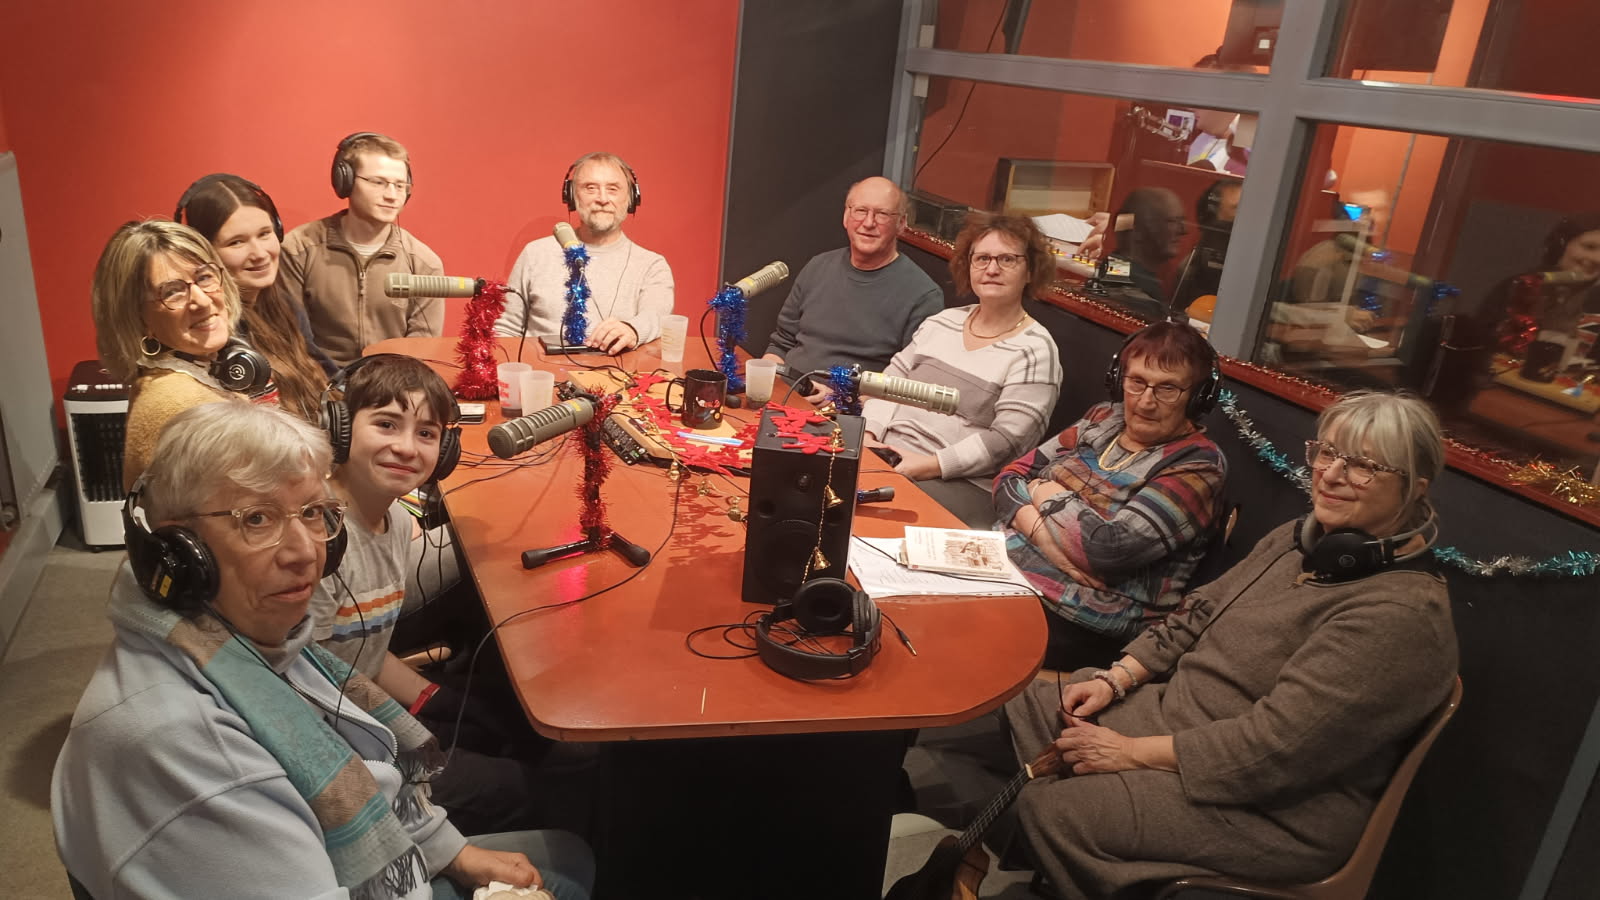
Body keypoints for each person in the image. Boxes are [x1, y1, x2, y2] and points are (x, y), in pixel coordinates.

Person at [51, 402, 594, 900]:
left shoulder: (242, 640)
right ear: (178, 552)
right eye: (256, 519)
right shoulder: (190, 744)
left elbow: (359, 771)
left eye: (313, 512)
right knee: (567, 872)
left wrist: (450, 852)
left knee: (568, 857)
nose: (305, 552)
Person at [1004, 390, 1455, 898]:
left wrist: (1129, 753)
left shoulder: (1399, 617)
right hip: (1179, 721)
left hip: (1271, 806)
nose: (1330, 475)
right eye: (1327, 452)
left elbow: (1273, 750)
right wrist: (1117, 678)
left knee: (1056, 810)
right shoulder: (1299, 539)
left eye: (1363, 466)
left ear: (1415, 488)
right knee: (1029, 705)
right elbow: (1198, 610)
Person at [313, 354, 578, 836]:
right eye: (386, 424)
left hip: (363, 708)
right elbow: (308, 686)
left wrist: (437, 700)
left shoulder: (395, 522)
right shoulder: (317, 544)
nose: (405, 448)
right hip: (337, 749)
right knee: (529, 789)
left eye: (426, 433)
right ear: (341, 429)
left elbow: (362, 651)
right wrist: (413, 730)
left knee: (506, 727)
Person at [994, 320, 1227, 669]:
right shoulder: (1103, 417)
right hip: (1006, 571)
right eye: (1137, 382)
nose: (1145, 402)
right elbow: (1009, 478)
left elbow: (1108, 548)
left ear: (1196, 398)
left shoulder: (1199, 464)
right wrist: (1047, 539)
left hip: (1083, 619)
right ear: (1120, 379)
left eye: (1167, 388)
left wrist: (1042, 488)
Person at [863, 212, 1061, 527]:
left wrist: (930, 465)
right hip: (887, 454)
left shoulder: (1036, 351)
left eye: (1007, 259)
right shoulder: (941, 323)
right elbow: (886, 385)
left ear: (1030, 270)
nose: (992, 269)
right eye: (982, 259)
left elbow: (1006, 443)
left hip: (960, 484)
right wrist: (869, 435)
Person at [91, 219, 255, 490]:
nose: (203, 300)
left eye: (204, 277)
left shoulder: (188, 377)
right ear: (138, 318)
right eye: (173, 292)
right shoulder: (181, 403)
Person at [175, 173, 335, 421]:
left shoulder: (284, 305)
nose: (260, 253)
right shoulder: (213, 331)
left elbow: (324, 369)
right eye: (236, 242)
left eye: (264, 234)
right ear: (204, 254)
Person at [281, 132, 444, 367]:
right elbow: (291, 341)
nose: (392, 195)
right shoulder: (298, 249)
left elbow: (420, 354)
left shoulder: (424, 264)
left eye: (400, 185)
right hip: (317, 382)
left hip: (392, 383)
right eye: (378, 182)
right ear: (345, 181)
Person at [763, 176, 944, 387]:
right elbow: (781, 344)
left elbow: (909, 385)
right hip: (787, 392)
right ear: (846, 216)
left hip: (851, 405)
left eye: (882, 214)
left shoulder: (923, 295)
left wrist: (840, 399)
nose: (868, 223)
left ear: (901, 224)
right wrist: (764, 381)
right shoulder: (817, 266)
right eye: (860, 211)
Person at [494, 152, 674, 354]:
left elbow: (657, 318)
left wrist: (633, 329)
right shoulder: (535, 253)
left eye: (613, 189)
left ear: (631, 199)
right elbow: (506, 329)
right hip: (541, 372)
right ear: (572, 197)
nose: (602, 199)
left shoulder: (652, 265)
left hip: (618, 373)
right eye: (590, 188)